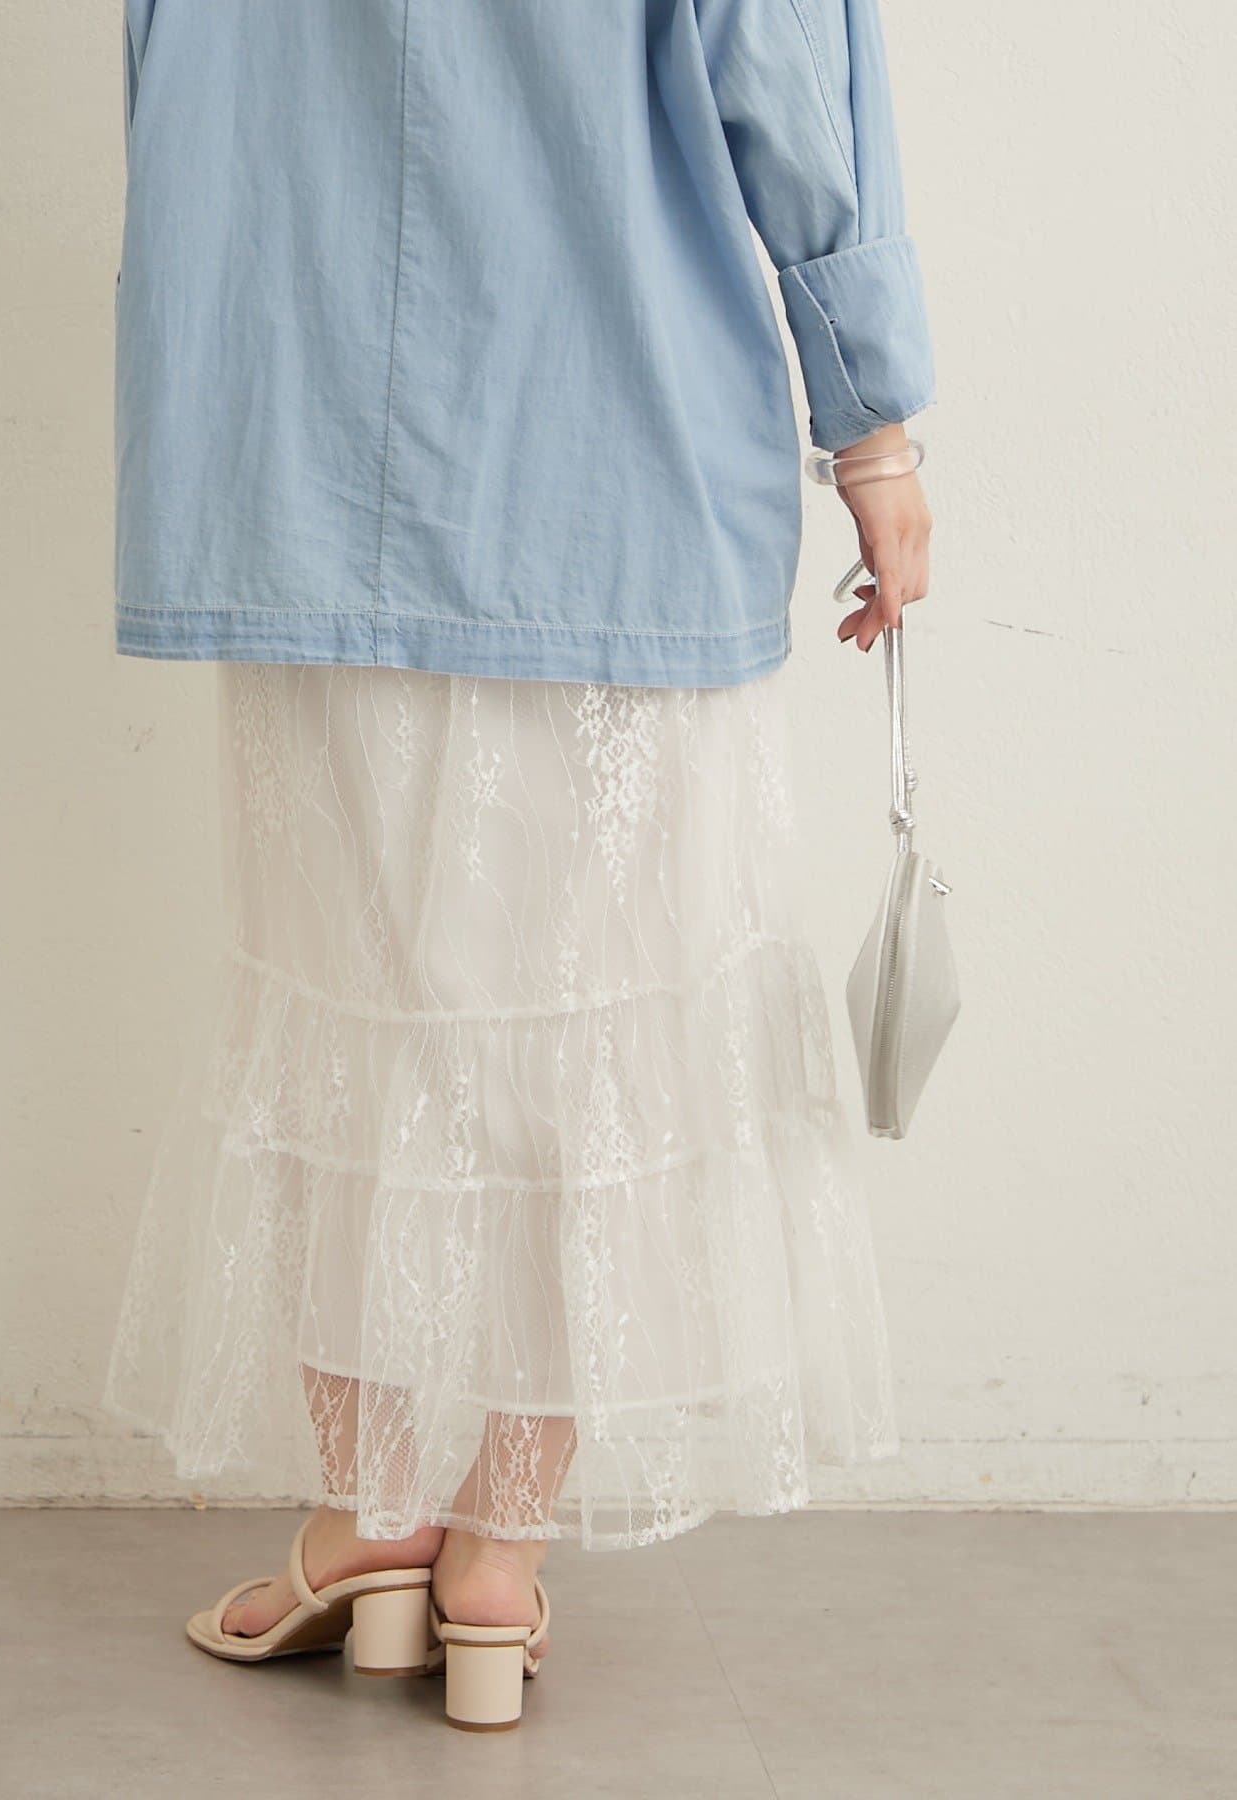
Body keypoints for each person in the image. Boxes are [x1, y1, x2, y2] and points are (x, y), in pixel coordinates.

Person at [105, 0, 933, 1733]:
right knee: (596, 1031)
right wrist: (873, 425)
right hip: (611, 457)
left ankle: (370, 1518)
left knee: (346, 1005)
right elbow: (783, 70)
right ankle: (495, 1557)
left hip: (294, 429)